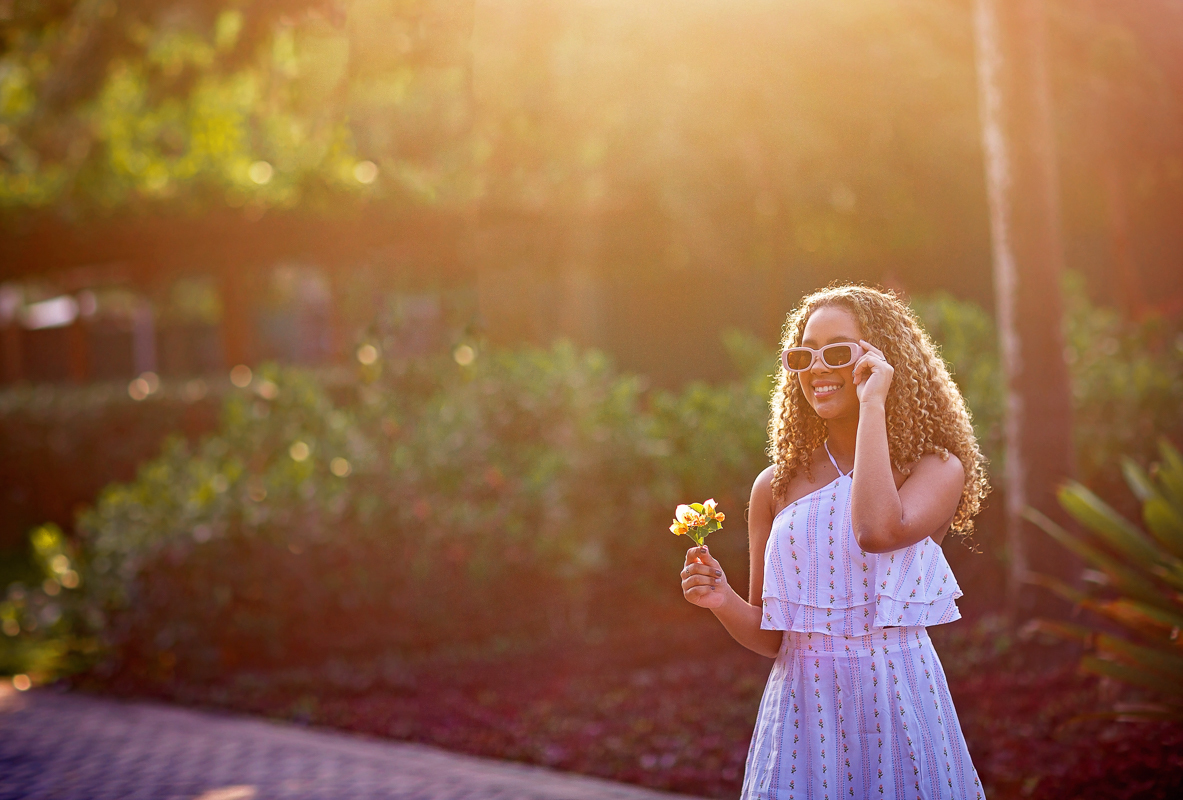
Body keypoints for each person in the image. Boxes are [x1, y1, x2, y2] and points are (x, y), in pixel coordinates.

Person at [681, 284, 988, 799]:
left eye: (838, 351)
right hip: (803, 714)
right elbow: (773, 637)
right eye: (804, 354)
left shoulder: (935, 468)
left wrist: (873, 406)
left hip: (900, 705)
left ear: (883, 360)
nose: (817, 367)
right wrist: (720, 600)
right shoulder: (774, 486)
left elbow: (876, 530)